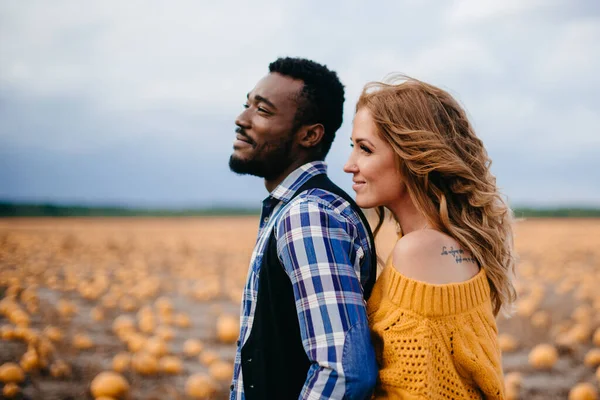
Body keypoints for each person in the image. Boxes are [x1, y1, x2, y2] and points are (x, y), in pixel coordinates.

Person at [344, 75, 516, 399]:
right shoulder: (455, 243)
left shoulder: (419, 251)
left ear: (414, 154)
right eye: (352, 147)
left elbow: (415, 391)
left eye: (365, 149)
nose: (348, 165)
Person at [228, 57, 378, 400]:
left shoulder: (309, 215)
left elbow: (342, 373)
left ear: (310, 135)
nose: (241, 120)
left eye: (262, 111)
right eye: (246, 105)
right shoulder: (293, 208)